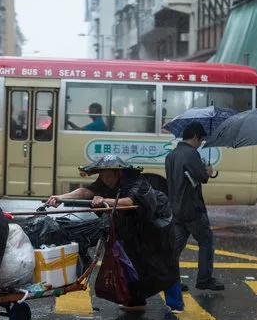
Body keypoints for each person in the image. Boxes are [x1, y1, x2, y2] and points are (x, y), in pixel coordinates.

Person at [45, 155, 180, 310]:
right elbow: (85, 192)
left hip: (155, 224)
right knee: (131, 264)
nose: (104, 178)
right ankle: (136, 301)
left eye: (107, 175)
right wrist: (61, 198)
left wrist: (105, 200)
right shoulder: (104, 181)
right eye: (101, 175)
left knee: (165, 264)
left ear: (118, 172)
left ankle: (176, 304)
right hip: (131, 228)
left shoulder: (136, 180)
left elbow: (131, 201)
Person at [164, 122, 224, 307]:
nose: (202, 142)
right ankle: (204, 279)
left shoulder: (171, 155)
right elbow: (201, 177)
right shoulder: (191, 154)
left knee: (175, 248)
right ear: (196, 136)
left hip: (176, 209)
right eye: (201, 139)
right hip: (193, 209)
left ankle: (169, 280)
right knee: (206, 241)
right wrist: (208, 172)